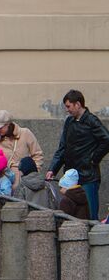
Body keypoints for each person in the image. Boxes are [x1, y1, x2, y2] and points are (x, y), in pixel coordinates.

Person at [47, 90, 109, 220]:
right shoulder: (69, 122)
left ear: (78, 104)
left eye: (69, 106)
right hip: (71, 176)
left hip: (88, 176)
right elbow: (62, 148)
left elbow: (106, 140)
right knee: (72, 215)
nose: (67, 110)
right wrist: (52, 168)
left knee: (90, 214)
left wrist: (93, 159)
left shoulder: (92, 121)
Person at [0, 110, 42, 190]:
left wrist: (34, 176)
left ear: (8, 125)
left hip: (23, 180)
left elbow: (37, 155)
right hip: (3, 180)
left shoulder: (25, 133)